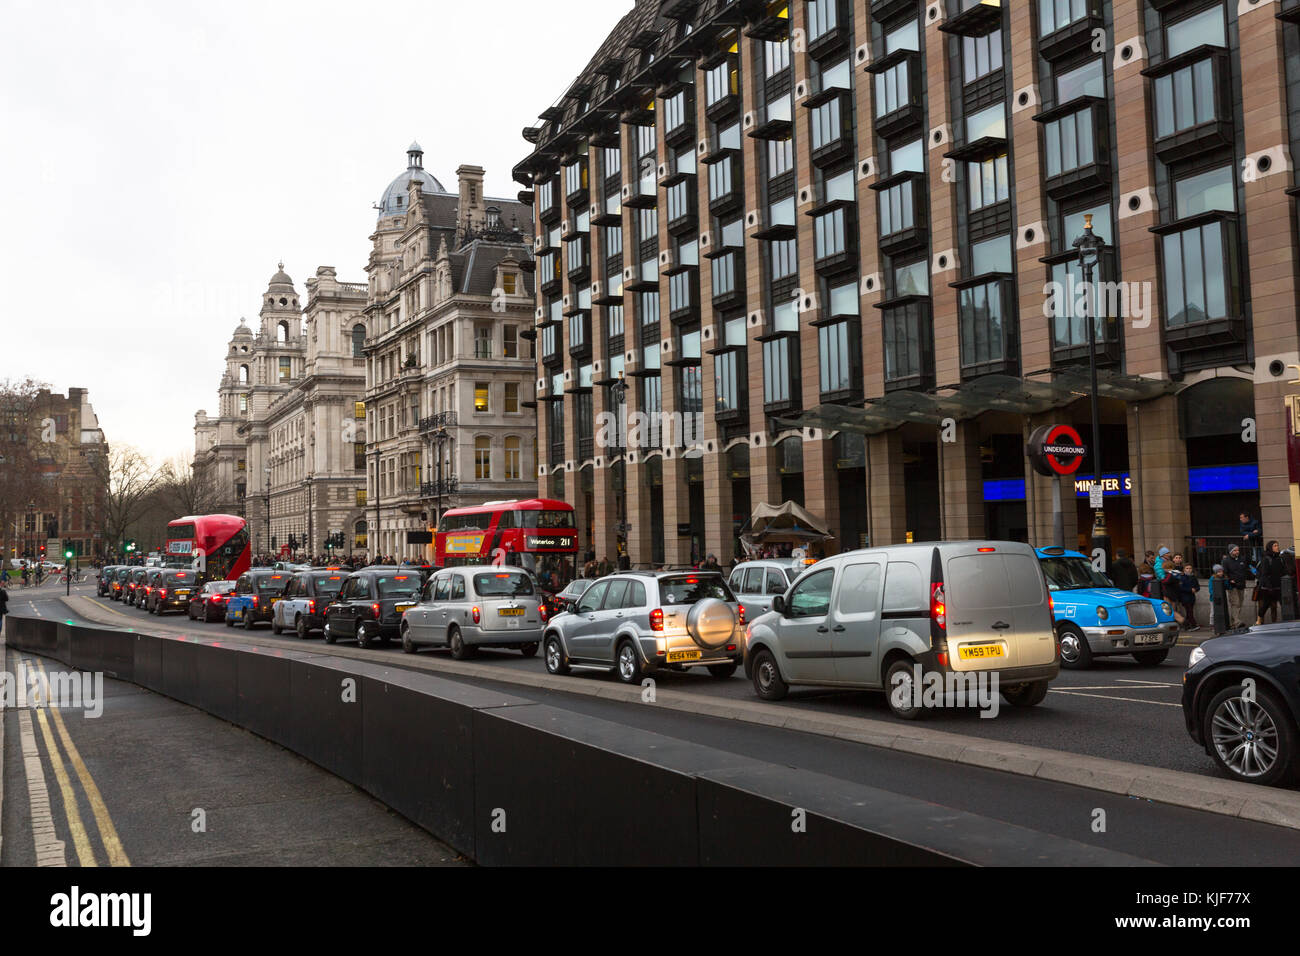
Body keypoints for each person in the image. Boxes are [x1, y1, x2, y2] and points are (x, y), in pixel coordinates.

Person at [1256, 540, 1284, 626]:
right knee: (1265, 605)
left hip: (1278, 587)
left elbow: (1282, 572)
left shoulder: (1280, 558)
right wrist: (1269, 587)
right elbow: (1264, 575)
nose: (1277, 547)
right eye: (1275, 546)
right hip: (1269, 588)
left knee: (1285, 604)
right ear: (1270, 548)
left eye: (1277, 545)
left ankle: (1283, 622)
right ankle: (1258, 621)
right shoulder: (1266, 559)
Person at [1222, 544, 1251, 628]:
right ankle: (1237, 622)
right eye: (1235, 550)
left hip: (1241, 584)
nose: (1237, 552)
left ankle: (1233, 622)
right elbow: (1225, 573)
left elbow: (1245, 569)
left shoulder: (1242, 559)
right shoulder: (1226, 561)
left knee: (1240, 603)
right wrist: (1230, 580)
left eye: (1238, 550)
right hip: (1232, 586)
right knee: (1235, 603)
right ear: (1231, 551)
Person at [1177, 564, 1200, 631]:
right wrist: (1190, 590)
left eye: (1190, 568)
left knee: (1189, 612)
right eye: (1187, 568)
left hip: (1192, 597)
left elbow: (1197, 586)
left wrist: (1195, 589)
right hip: (1185, 597)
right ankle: (1193, 624)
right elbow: (1181, 587)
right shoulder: (1182, 577)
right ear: (1184, 570)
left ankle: (1186, 625)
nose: (1189, 570)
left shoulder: (1193, 577)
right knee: (1189, 611)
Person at [1208, 564, 1228, 633]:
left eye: (1221, 571)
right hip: (1214, 598)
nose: (1221, 573)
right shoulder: (1212, 578)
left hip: (1221, 598)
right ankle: (1212, 624)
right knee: (1213, 612)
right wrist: (1214, 595)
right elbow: (1210, 589)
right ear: (1215, 572)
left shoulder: (1223, 578)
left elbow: (1226, 586)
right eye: (1219, 572)